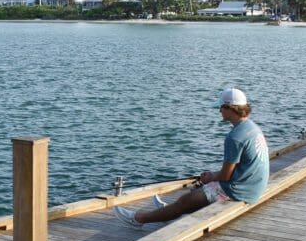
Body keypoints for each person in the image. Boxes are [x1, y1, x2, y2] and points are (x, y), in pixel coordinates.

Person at [114, 87, 270, 229]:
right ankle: (167, 211)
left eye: (221, 107)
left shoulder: (235, 137)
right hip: (254, 187)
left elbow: (225, 176)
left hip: (239, 191)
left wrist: (210, 176)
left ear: (230, 108)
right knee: (195, 195)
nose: (219, 111)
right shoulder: (252, 127)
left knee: (184, 202)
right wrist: (213, 177)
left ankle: (138, 219)